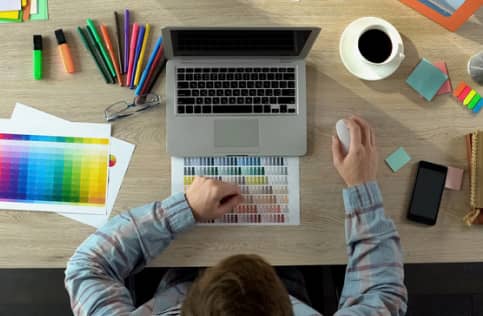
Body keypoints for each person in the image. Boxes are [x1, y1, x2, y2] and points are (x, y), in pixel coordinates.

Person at [65, 116, 408, 316]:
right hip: (292, 277)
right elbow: (382, 293)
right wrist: (361, 186)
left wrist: (182, 209)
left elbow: (86, 267)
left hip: (179, 269)